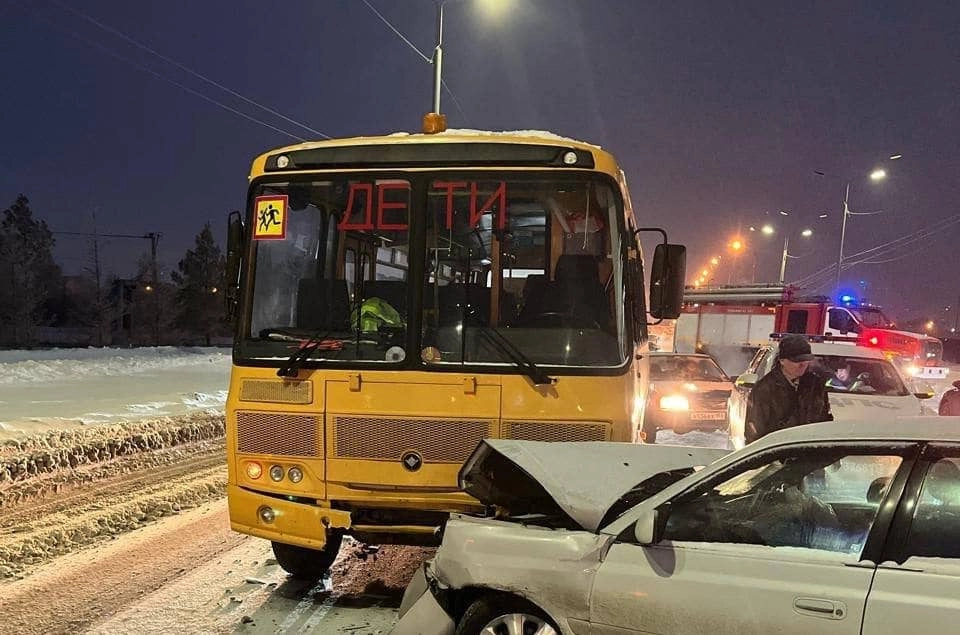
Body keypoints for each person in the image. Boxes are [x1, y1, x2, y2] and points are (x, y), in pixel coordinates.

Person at [744, 334, 833, 443]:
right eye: (797, 360)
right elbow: (754, 431)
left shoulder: (816, 385)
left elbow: (824, 421)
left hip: (809, 453)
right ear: (782, 361)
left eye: (806, 359)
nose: (802, 364)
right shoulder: (764, 389)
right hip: (777, 453)